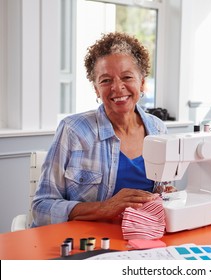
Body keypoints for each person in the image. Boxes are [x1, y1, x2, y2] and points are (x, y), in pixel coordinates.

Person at [32, 32, 169, 227]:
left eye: (127, 77)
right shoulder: (73, 131)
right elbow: (41, 207)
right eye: (105, 80)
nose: (117, 87)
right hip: (88, 242)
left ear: (142, 83)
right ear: (96, 89)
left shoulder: (158, 129)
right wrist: (104, 207)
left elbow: (164, 192)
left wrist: (169, 197)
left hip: (144, 239)